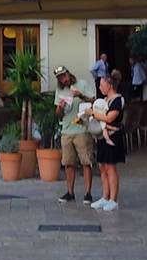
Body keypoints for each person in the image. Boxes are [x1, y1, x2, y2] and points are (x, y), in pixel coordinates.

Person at [53, 66, 94, 204]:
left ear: (68, 74)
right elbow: (57, 114)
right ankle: (70, 192)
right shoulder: (59, 90)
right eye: (59, 78)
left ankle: (88, 193)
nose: (62, 79)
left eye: (63, 76)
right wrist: (60, 107)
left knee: (86, 162)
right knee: (68, 163)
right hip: (66, 130)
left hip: (81, 129)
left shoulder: (81, 84)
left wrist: (80, 95)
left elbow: (94, 101)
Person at [89, 74, 126, 212]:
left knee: (111, 167)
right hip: (102, 136)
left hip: (113, 135)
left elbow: (110, 118)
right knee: (102, 167)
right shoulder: (104, 100)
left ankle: (113, 199)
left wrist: (93, 113)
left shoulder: (117, 100)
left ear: (109, 85)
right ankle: (105, 196)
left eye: (102, 84)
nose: (100, 87)